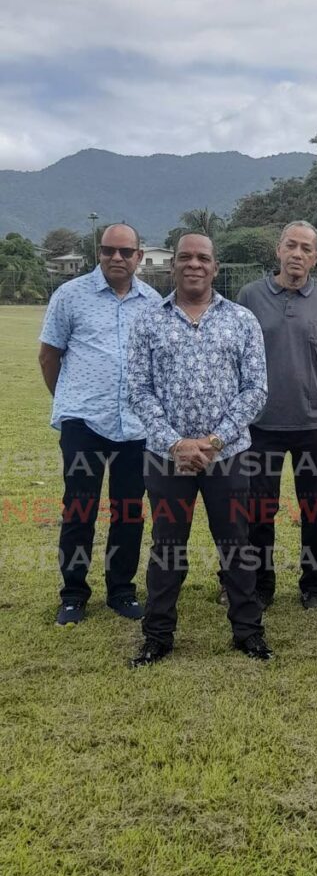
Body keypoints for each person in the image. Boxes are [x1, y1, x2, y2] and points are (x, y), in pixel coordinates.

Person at [126, 233, 271, 666]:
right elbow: (138, 388)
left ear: (215, 266)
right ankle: (157, 635)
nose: (194, 264)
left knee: (236, 546)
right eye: (185, 257)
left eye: (202, 258)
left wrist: (212, 441)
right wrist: (176, 442)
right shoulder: (150, 320)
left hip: (226, 456)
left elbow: (255, 389)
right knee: (167, 546)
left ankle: (248, 632)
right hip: (166, 456)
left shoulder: (242, 320)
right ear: (172, 265)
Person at [38, 222, 161, 626]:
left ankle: (121, 590)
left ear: (139, 257)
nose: (117, 258)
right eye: (109, 250)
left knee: (129, 511)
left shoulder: (153, 302)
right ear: (98, 251)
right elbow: (49, 356)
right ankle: (73, 594)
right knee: (79, 509)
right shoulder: (70, 296)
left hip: (136, 427)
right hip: (84, 424)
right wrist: (70, 401)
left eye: (126, 252)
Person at [236, 221, 317, 611]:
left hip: (314, 424)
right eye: (291, 246)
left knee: (313, 509)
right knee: (259, 510)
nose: (297, 254)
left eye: (306, 248)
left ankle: (311, 585)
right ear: (278, 250)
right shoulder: (249, 296)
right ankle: (262, 585)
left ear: (316, 257)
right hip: (260, 425)